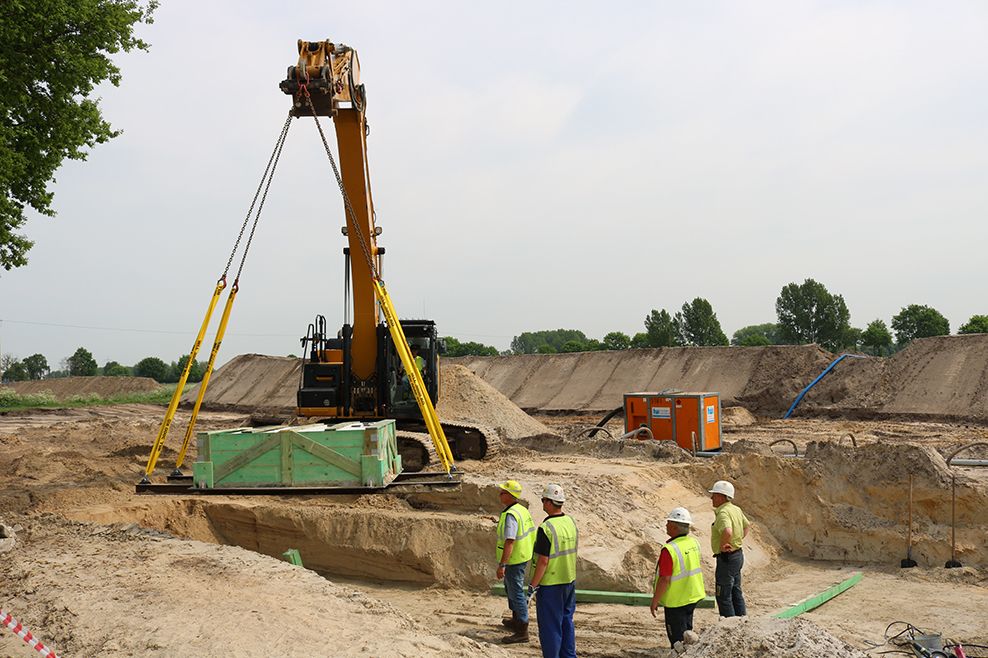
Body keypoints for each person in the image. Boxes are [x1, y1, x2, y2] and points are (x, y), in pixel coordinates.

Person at [529, 484, 578, 658]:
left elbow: (543, 561)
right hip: (569, 580)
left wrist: (532, 586)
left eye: (543, 500)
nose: (542, 503)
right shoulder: (570, 522)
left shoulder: (546, 528)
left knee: (550, 627)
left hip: (551, 584)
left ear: (549, 502)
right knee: (566, 621)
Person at [649, 507, 705, 649]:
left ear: (674, 527)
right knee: (687, 634)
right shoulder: (694, 543)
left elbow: (664, 579)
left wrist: (655, 600)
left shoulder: (670, 549)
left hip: (676, 601)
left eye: (668, 523)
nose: (665, 525)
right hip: (692, 596)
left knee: (677, 641)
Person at [496, 480, 536, 644]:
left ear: (510, 496)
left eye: (502, 492)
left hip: (514, 559)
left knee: (516, 592)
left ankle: (522, 630)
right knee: (511, 589)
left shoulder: (511, 515)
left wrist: (502, 564)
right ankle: (516, 619)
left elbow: (510, 541)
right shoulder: (521, 510)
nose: (500, 495)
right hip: (522, 555)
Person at [709, 480, 750, 617]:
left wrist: (722, 546)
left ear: (721, 497)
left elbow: (728, 532)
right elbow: (747, 525)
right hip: (738, 555)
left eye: (714, 495)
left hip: (727, 558)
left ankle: (729, 627)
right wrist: (737, 540)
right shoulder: (736, 509)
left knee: (724, 596)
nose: (711, 498)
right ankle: (741, 622)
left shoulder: (723, 513)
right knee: (736, 592)